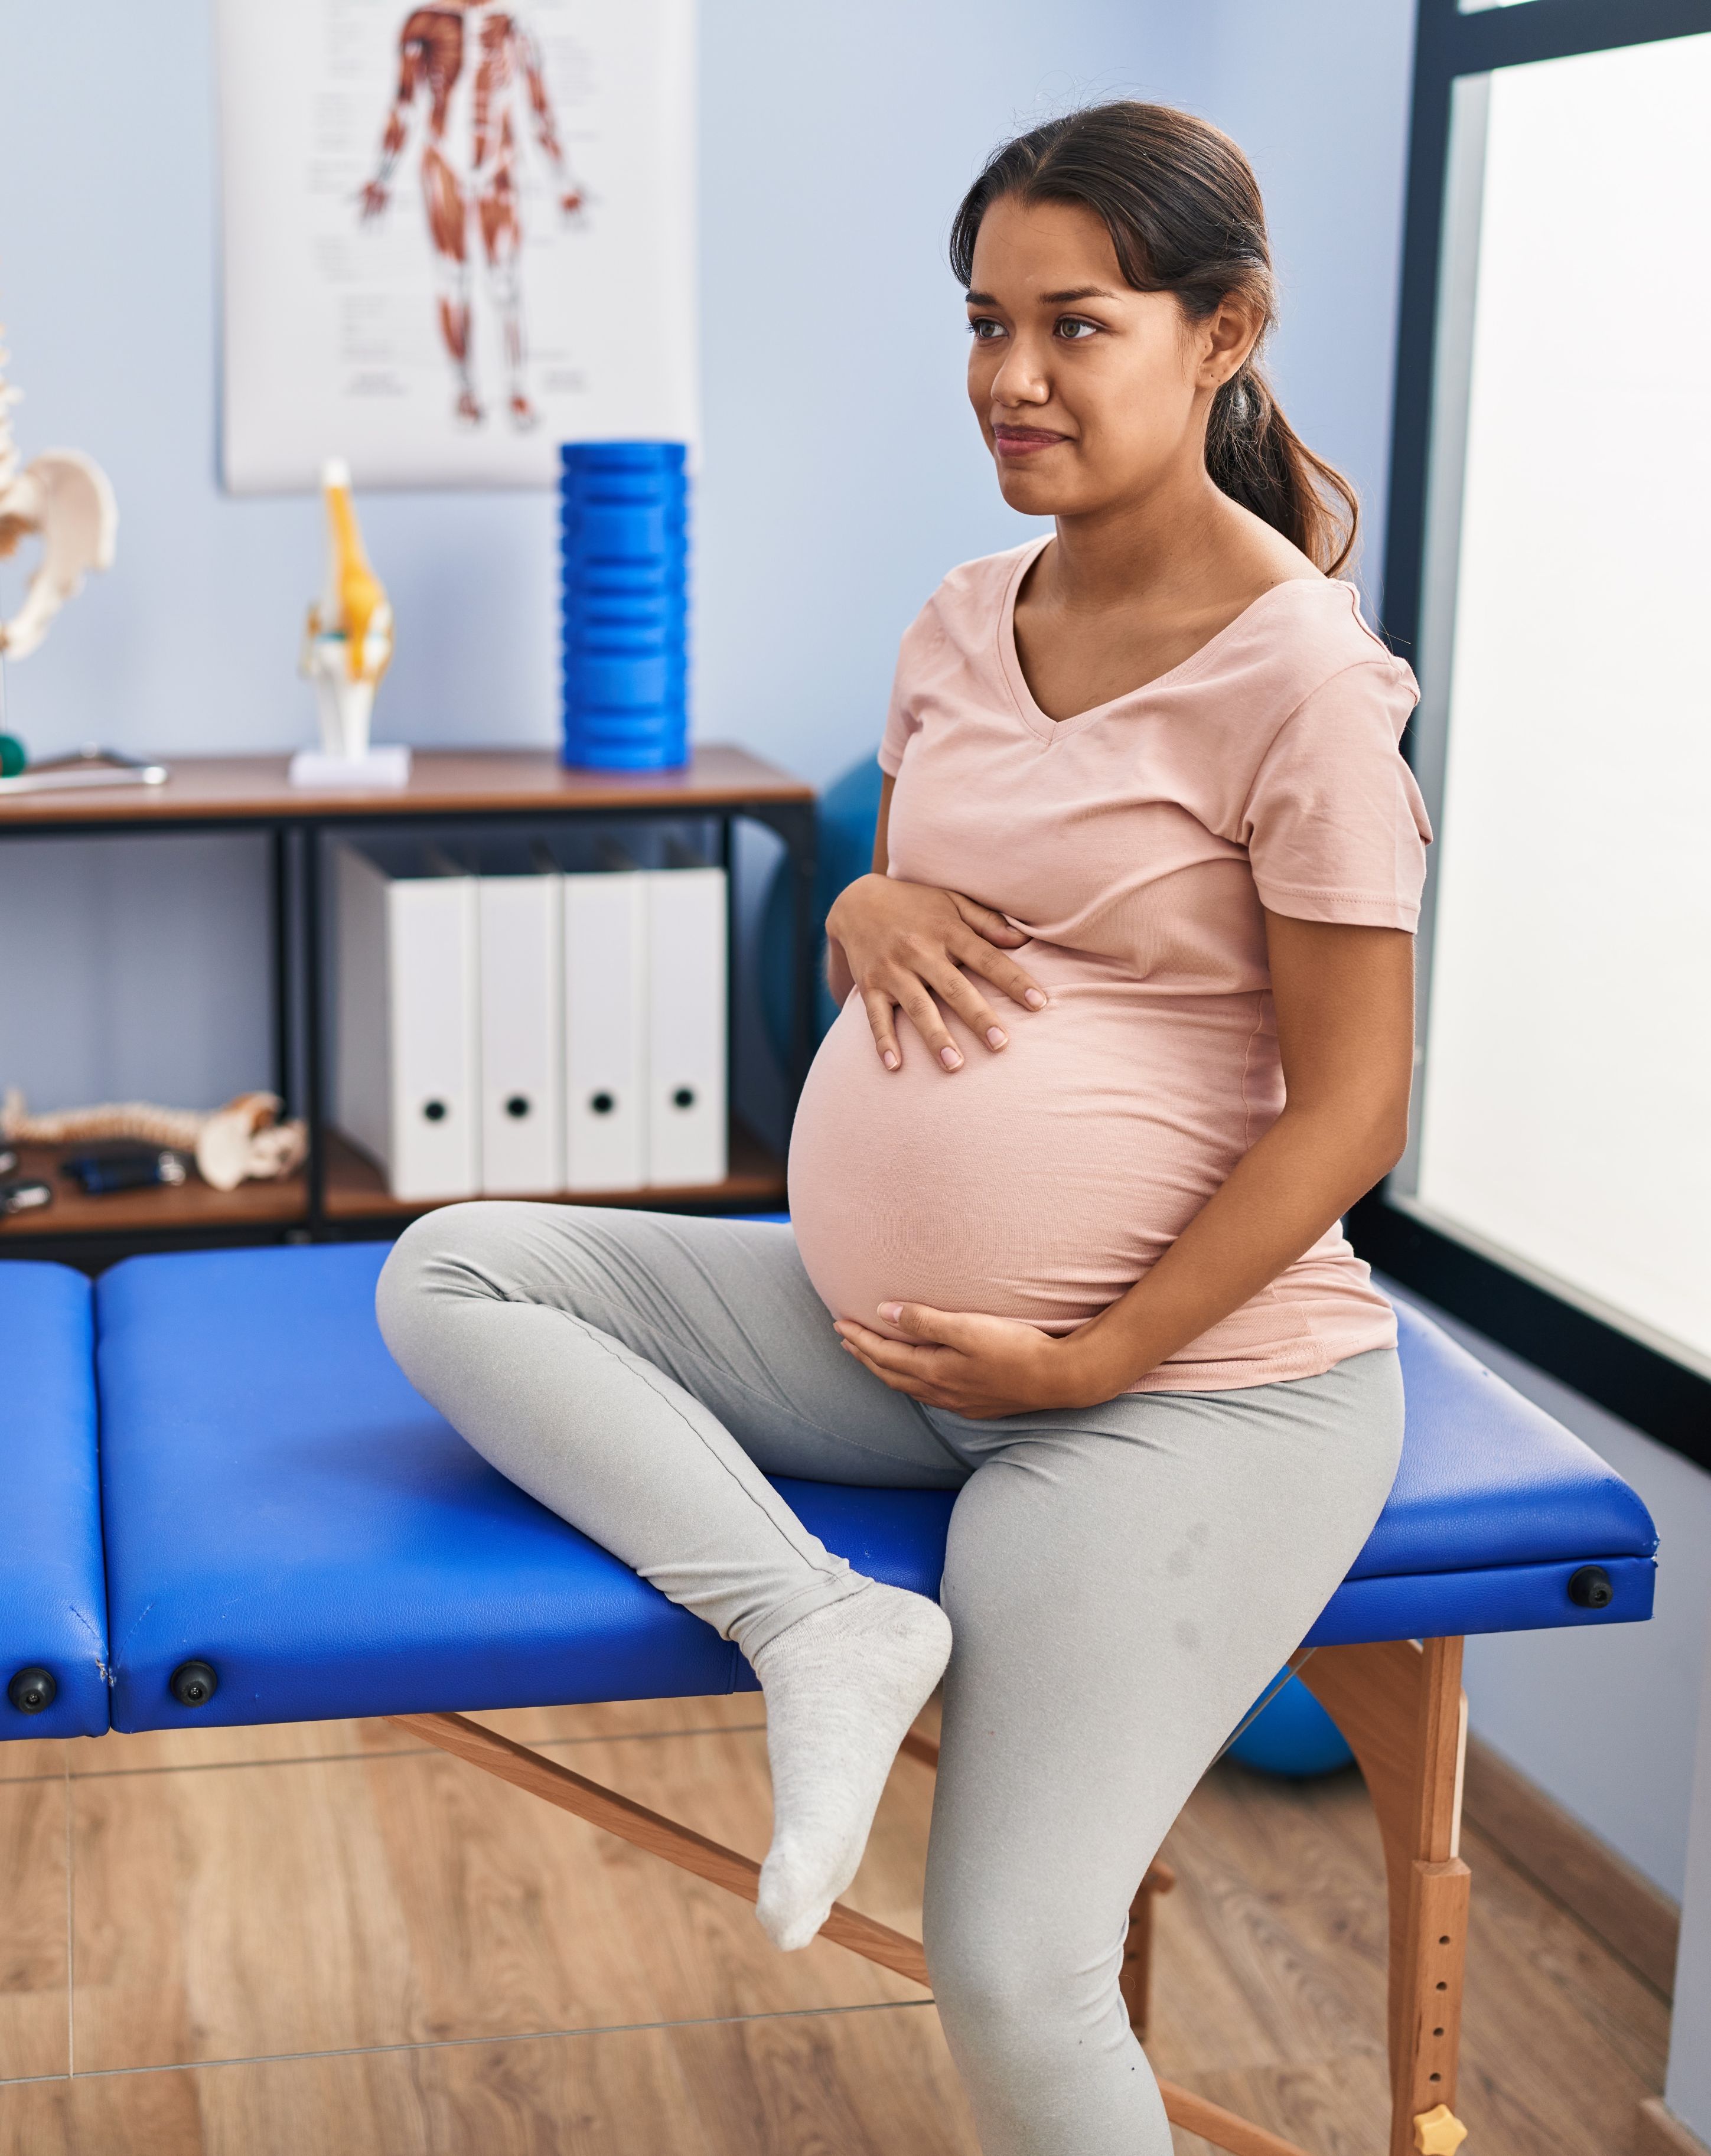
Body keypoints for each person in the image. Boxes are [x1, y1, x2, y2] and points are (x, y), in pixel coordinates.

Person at [377, 101, 1430, 2156]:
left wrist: (1098, 1354)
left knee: (1011, 1964)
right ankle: (819, 1624)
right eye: (979, 324)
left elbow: (1355, 1101)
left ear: (1220, 336)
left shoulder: (1304, 682)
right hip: (895, 1357)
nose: (1006, 381)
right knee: (461, 1268)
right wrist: (859, 899)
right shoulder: (958, 618)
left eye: (1072, 327)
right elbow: (930, 897)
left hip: (1177, 1395)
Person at [358, 1, 585, 429]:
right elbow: (403, 103)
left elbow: (539, 106)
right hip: (444, 162)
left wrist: (563, 181)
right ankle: (465, 389)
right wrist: (383, 176)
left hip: (498, 163)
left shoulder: (516, 25)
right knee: (452, 280)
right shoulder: (422, 23)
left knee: (504, 282)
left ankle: (516, 388)